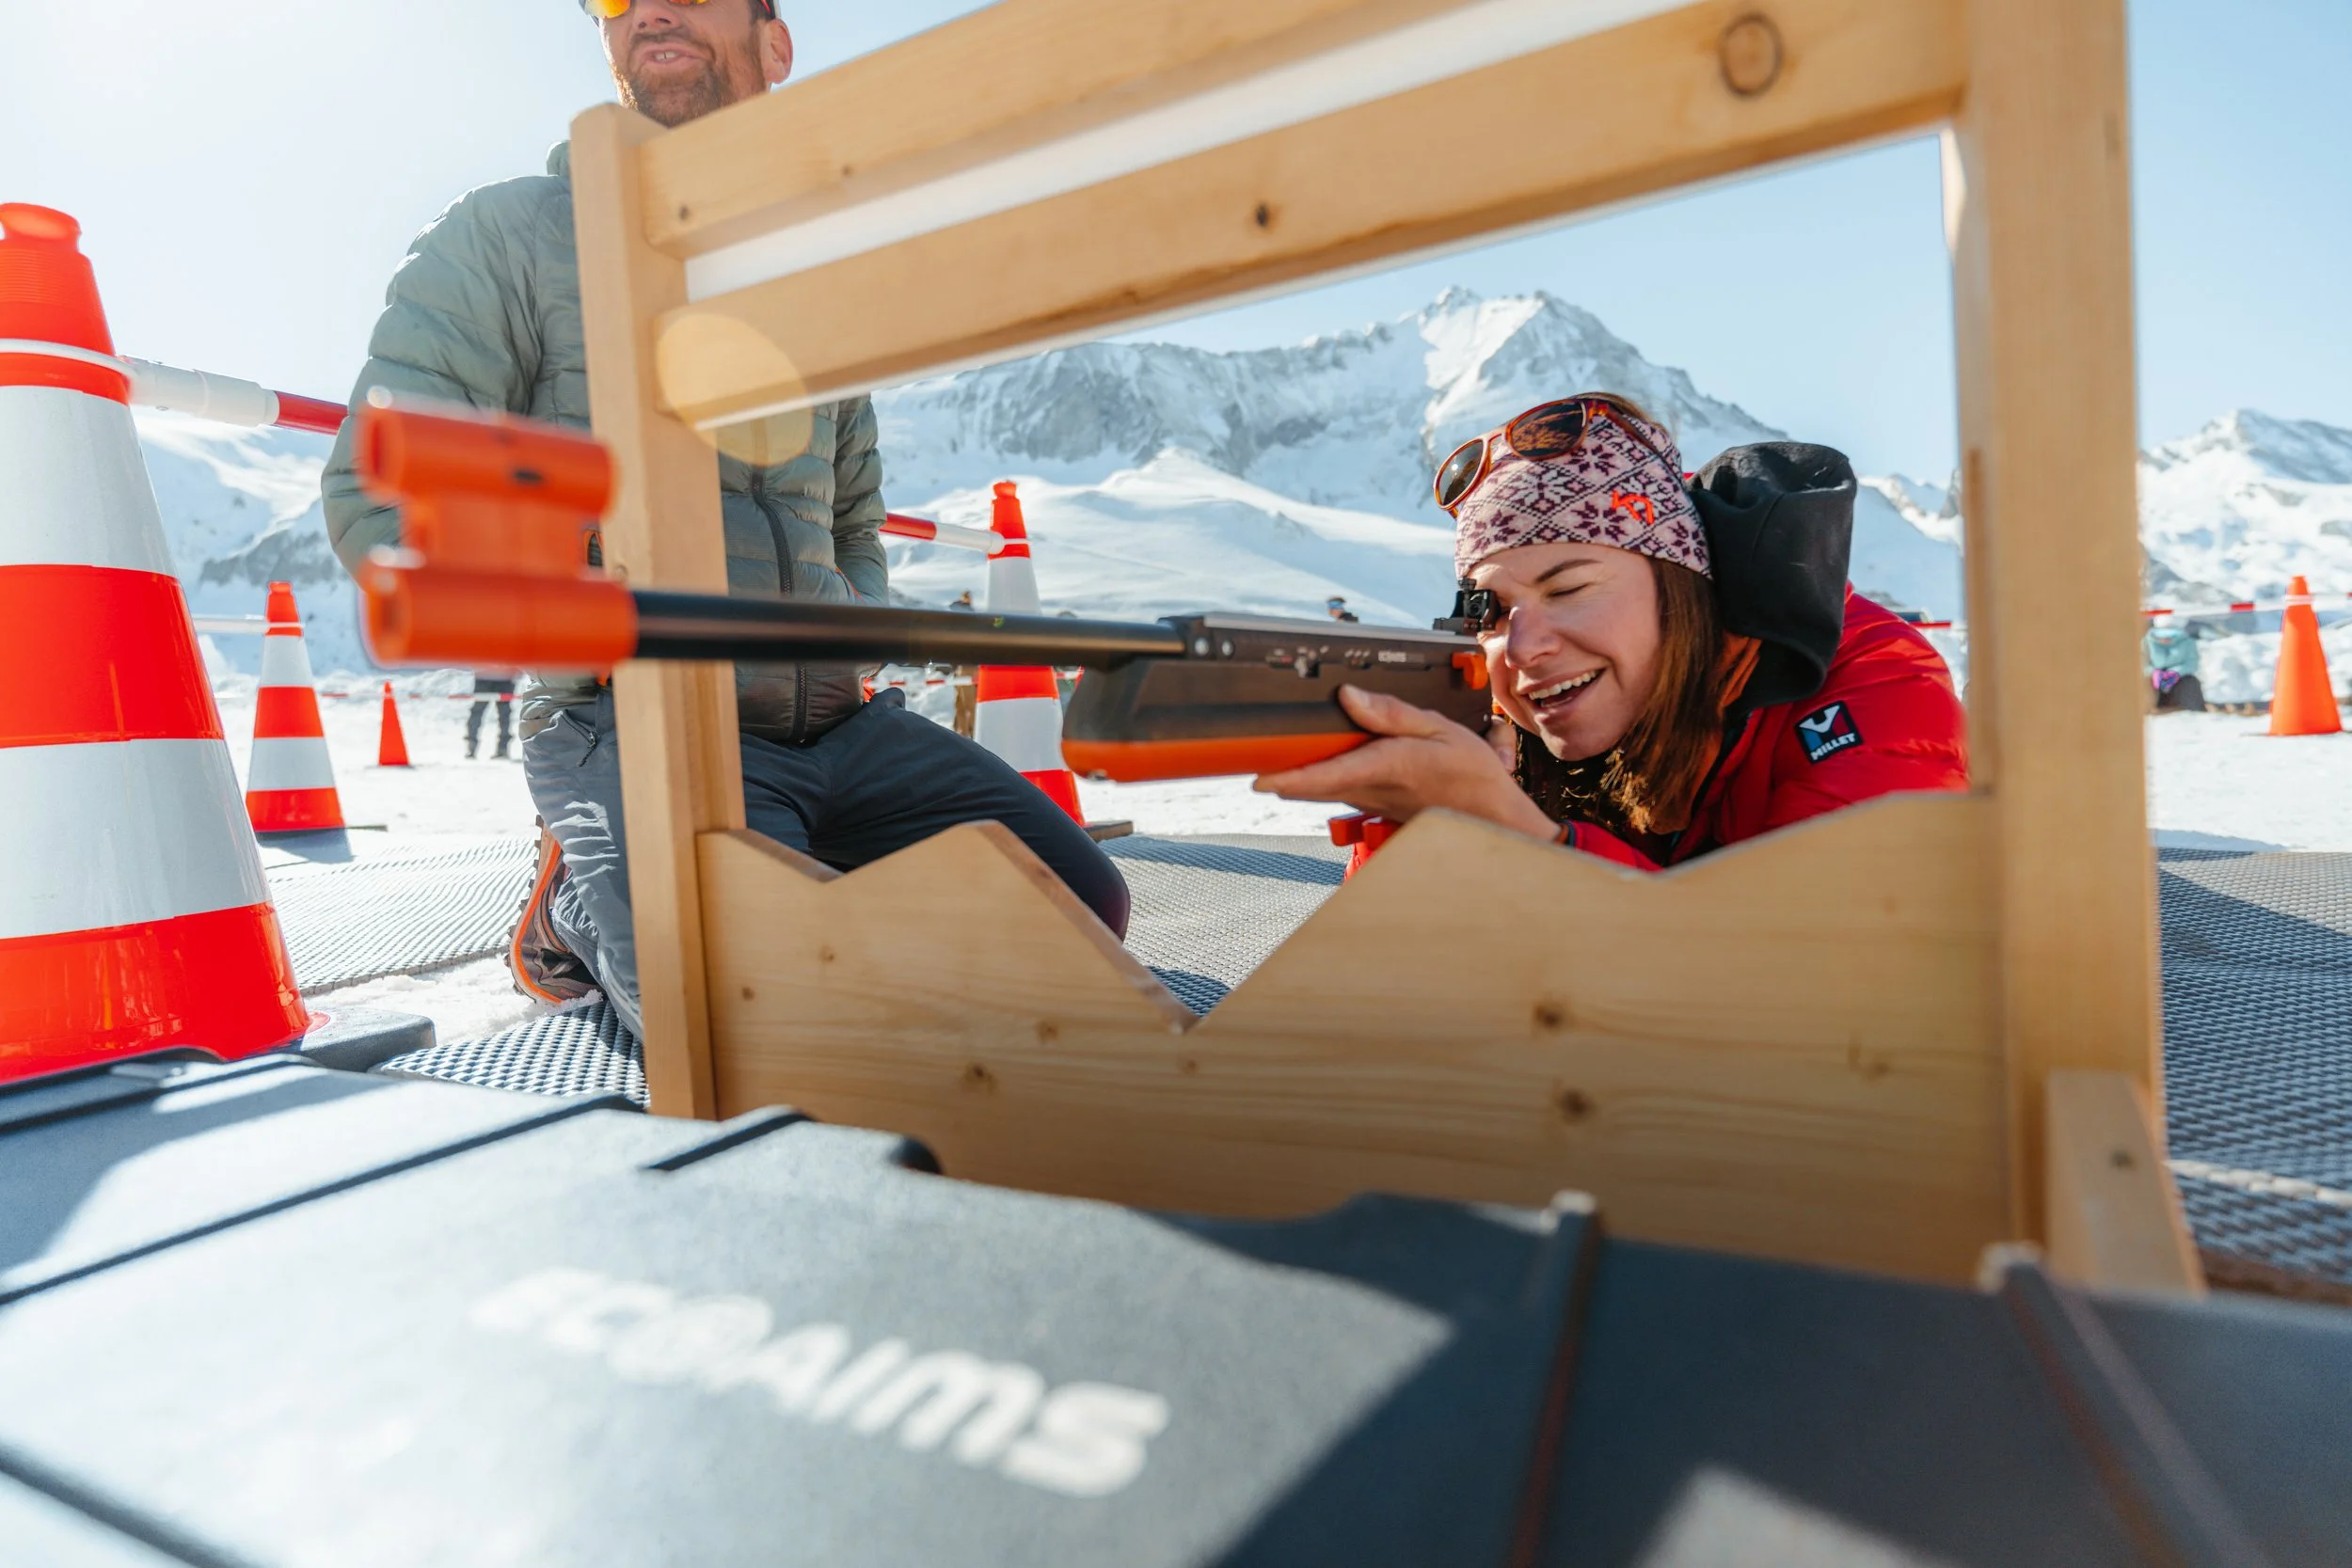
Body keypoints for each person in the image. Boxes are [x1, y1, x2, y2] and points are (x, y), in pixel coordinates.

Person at [321, 0, 1128, 1031]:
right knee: (746, 1014)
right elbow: (380, 493)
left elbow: (853, 512)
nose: (647, 5)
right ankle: (580, 897)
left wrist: (849, 642)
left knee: (1082, 911)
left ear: (774, 42)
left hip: (844, 731)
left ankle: (784, 875)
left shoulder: (808, 276)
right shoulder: (509, 236)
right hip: (627, 719)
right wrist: (582, 590)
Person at [1255, 394, 1968, 869]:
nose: (1525, 645)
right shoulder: (1506, 726)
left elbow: (1832, 977)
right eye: (1492, 611)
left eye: (1568, 588)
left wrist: (1524, 839)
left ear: (1679, 589)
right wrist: (1424, 836)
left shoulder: (1878, 680)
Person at [2144, 612, 2205, 713]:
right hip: (2153, 683)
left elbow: (2192, 663)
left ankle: (2192, 712)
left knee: (2190, 682)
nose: (2165, 638)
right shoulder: (2146, 643)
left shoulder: (2188, 643)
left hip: (2179, 682)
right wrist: (2153, 673)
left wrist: (2176, 673)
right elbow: (2139, 664)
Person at [467, 674, 516, 760]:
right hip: (486, 676)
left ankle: (502, 749)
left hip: (503, 677)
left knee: (504, 715)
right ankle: (471, 748)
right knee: (477, 713)